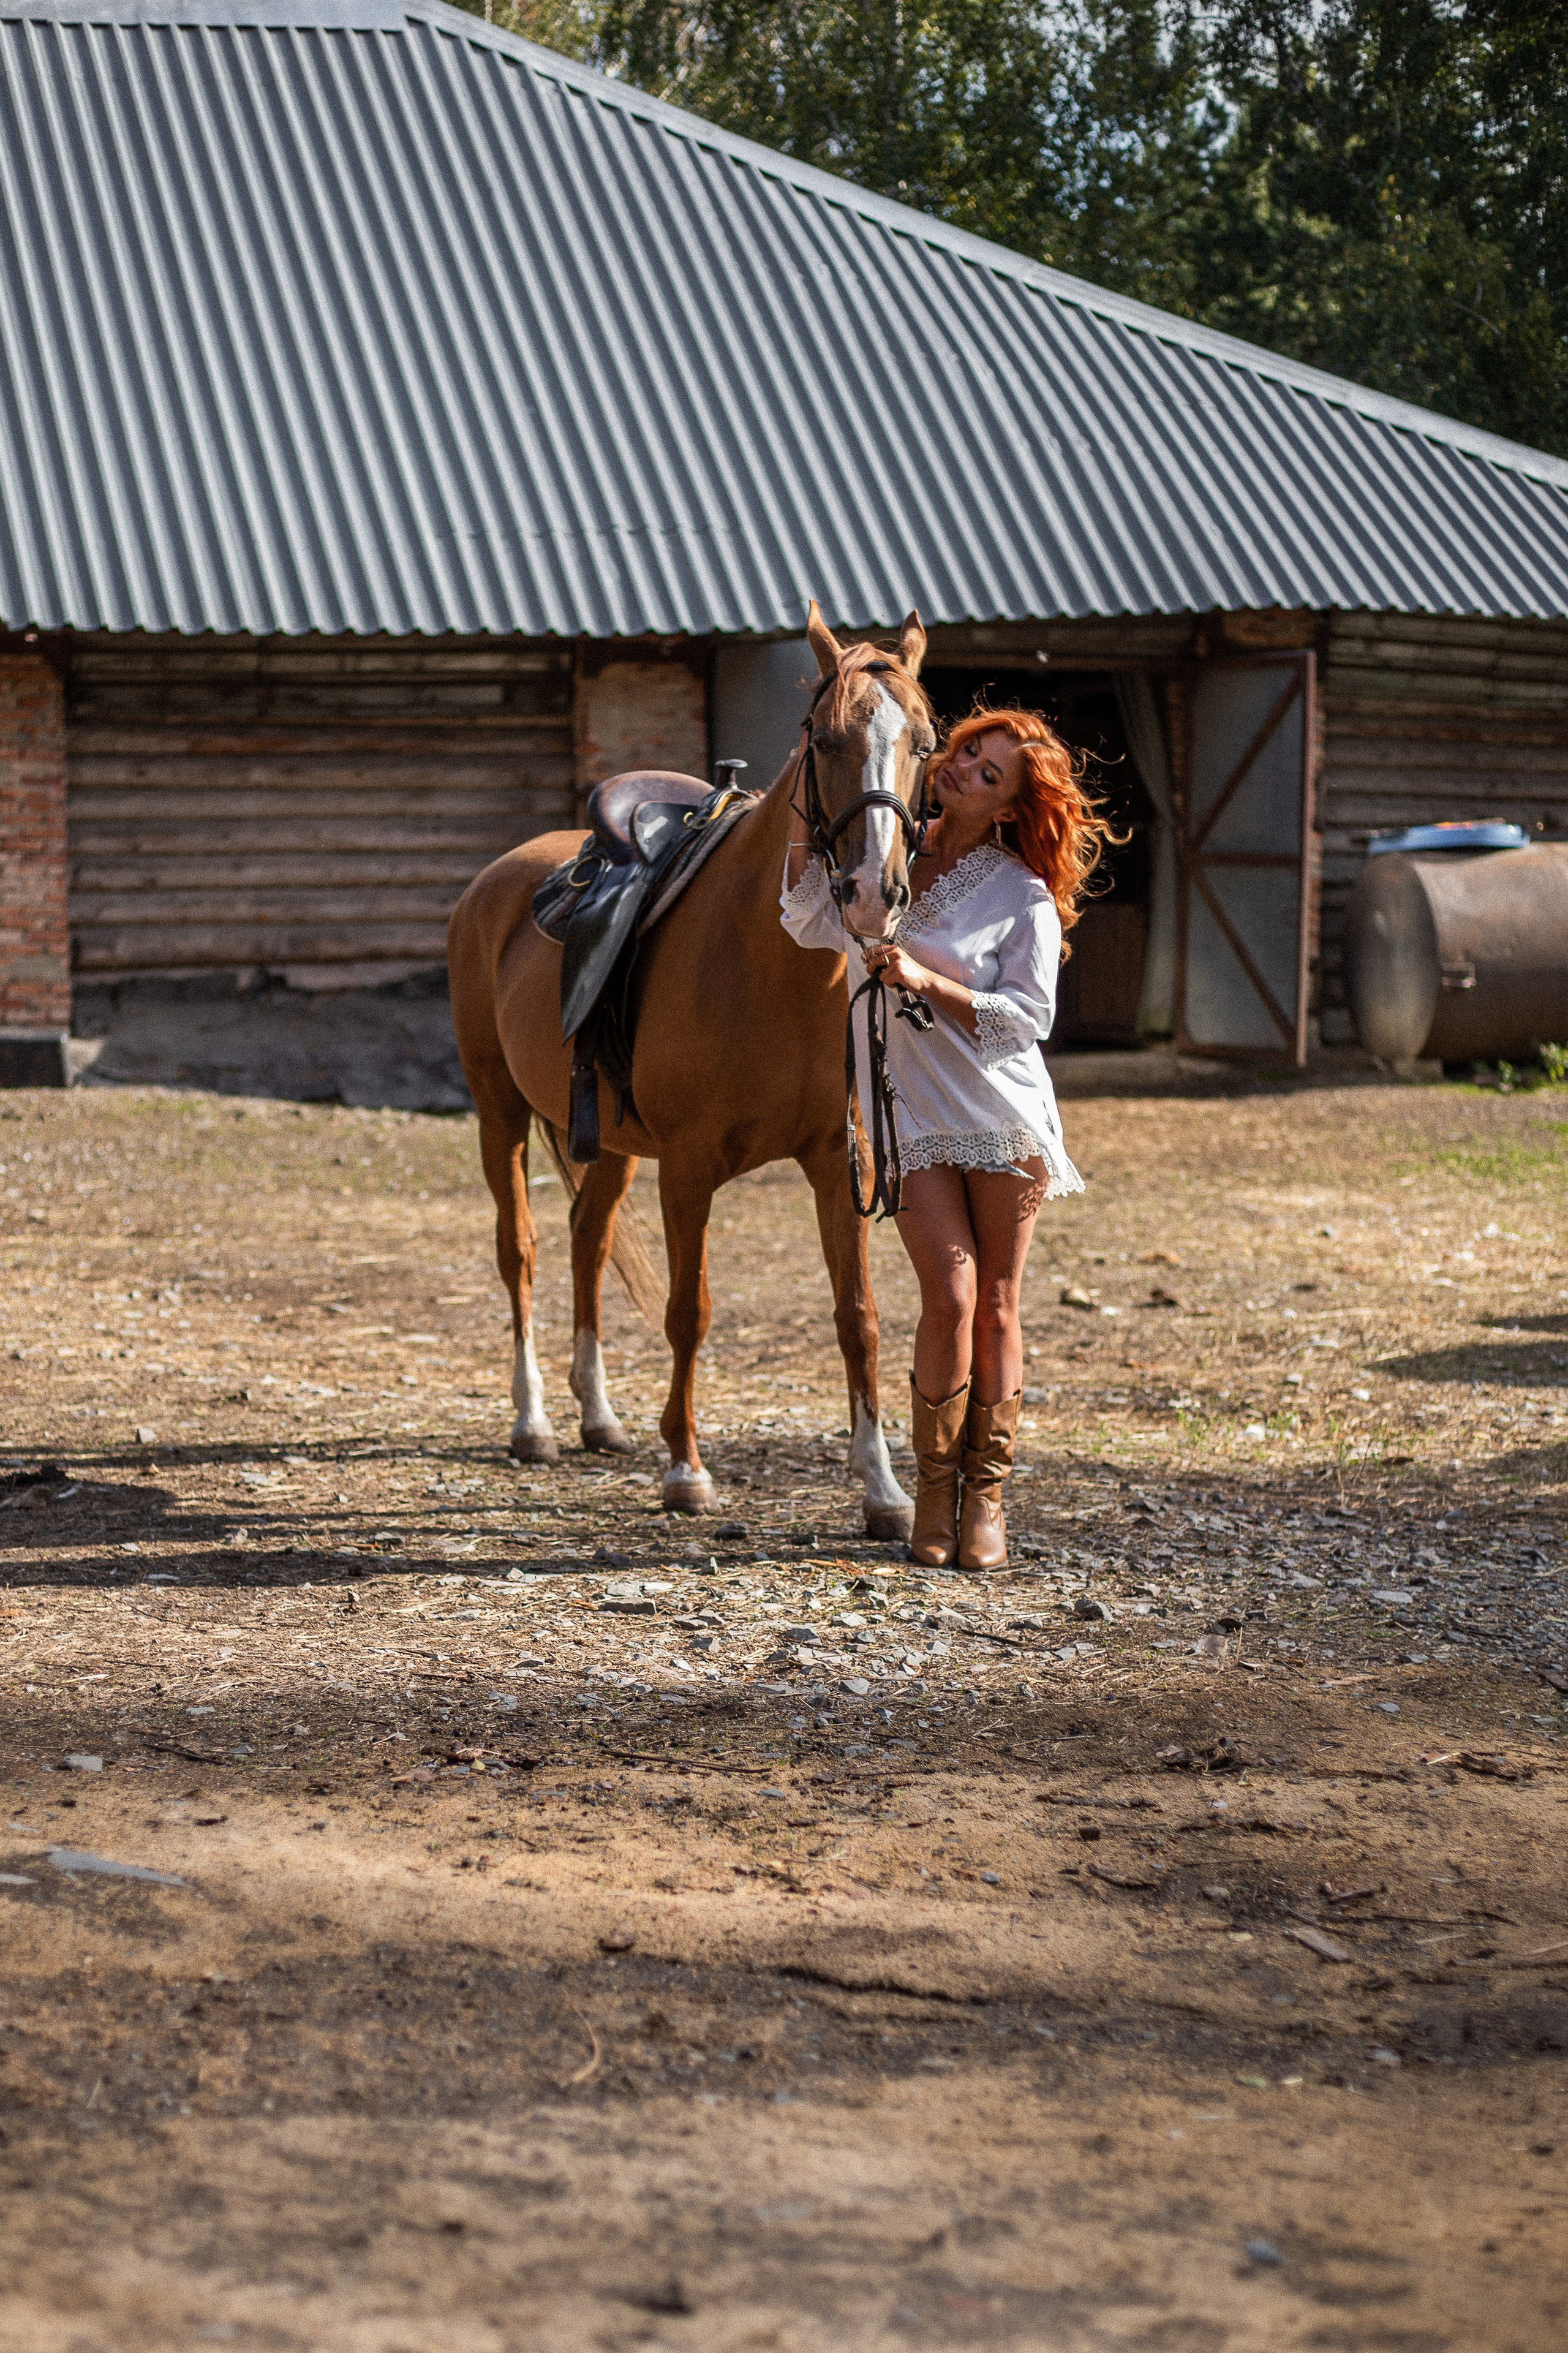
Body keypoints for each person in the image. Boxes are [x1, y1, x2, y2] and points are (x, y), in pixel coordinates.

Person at [782, 704, 1115, 1571]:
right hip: (914, 1118)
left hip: (1003, 1116)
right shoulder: (877, 852)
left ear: (1007, 808)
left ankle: (988, 1496)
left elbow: (1028, 1021)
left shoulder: (1022, 895)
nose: (965, 769)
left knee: (999, 1300)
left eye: (989, 772)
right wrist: (803, 792)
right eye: (968, 752)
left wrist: (929, 976)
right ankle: (934, 1486)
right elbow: (801, 912)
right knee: (951, 1296)